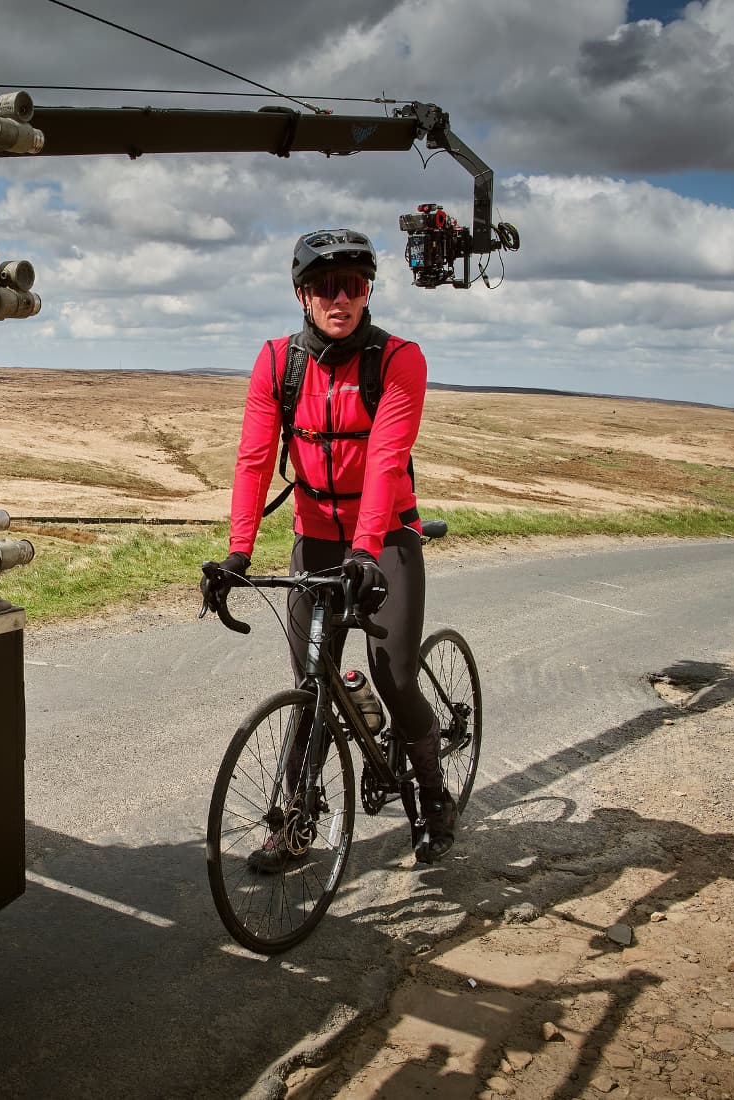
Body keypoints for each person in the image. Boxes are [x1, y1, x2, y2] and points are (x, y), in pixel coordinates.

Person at [216, 227, 456, 865]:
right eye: (326, 287)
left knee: (395, 674)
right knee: (309, 679)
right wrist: (239, 552)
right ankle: (296, 824)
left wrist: (368, 548)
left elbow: (386, 459)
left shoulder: (399, 358)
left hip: (388, 539)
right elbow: (254, 458)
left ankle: (433, 798)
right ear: (302, 294)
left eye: (352, 286)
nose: (340, 299)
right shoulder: (276, 361)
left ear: (368, 290)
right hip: (316, 539)